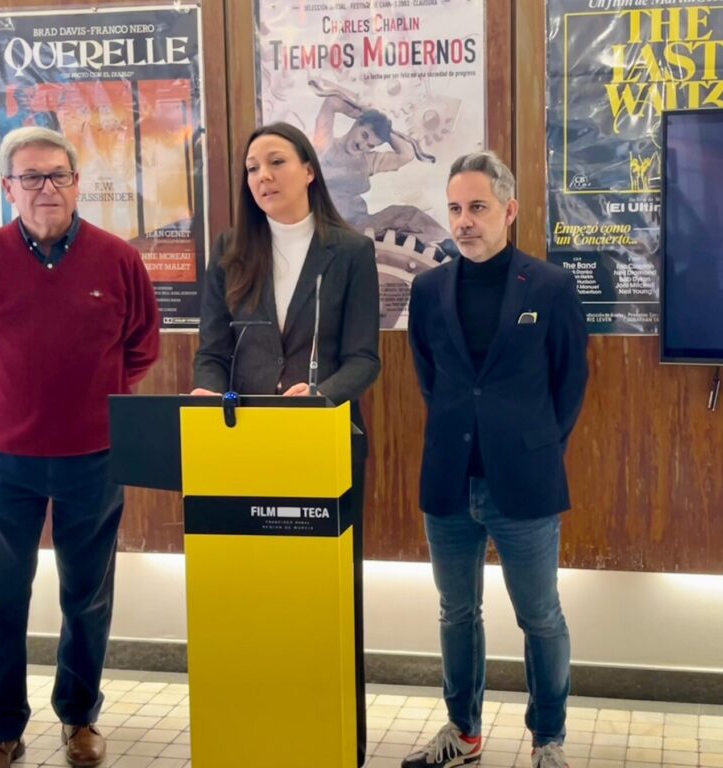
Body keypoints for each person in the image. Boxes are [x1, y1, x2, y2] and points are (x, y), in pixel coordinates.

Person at [0, 127, 160, 768]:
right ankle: (0, 727)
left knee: (86, 594)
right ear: (9, 187)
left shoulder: (117, 259)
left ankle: (80, 718)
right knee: (1, 596)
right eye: (31, 176)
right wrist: (3, 393)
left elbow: (142, 345)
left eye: (58, 174)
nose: (46, 188)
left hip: (94, 457)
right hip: (6, 459)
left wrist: (94, 398)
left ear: (77, 183)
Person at [190, 121, 380, 766]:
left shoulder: (349, 251)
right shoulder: (229, 250)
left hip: (321, 446)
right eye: (251, 168)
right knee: (252, 603)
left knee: (322, 606)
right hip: (242, 448)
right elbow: (212, 351)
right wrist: (208, 390)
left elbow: (364, 359)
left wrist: (320, 396)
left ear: (308, 170)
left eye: (275, 162)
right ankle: (254, 733)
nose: (262, 176)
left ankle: (331, 740)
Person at [404, 151, 589, 768]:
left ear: (509, 211)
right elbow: (431, 379)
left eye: (477, 207)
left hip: (525, 481)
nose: (464, 221)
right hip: (449, 482)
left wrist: (538, 447)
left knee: (540, 617)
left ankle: (548, 740)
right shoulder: (428, 289)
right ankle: (464, 732)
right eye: (455, 208)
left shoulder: (550, 287)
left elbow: (569, 383)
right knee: (457, 613)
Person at [312, 92, 453, 249]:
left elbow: (406, 154)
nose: (362, 145)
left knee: (408, 214)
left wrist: (386, 131)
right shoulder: (324, 146)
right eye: (364, 135)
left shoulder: (368, 161)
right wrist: (363, 113)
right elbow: (331, 102)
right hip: (330, 226)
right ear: (356, 124)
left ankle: (451, 249)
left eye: (371, 145)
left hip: (360, 226)